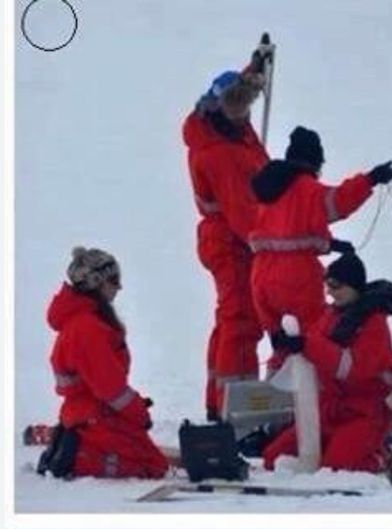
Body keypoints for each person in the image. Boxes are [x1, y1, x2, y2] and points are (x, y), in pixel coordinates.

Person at [249, 126, 392, 354]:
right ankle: (312, 388)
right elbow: (339, 201)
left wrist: (331, 245)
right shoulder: (307, 188)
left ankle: (276, 384)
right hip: (296, 277)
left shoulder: (267, 192)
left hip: (261, 275)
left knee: (280, 342)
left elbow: (287, 232)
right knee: (311, 339)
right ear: (314, 160)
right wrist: (370, 179)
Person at [183, 57, 270, 419]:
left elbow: (234, 88)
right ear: (218, 106)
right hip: (231, 240)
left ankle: (217, 402)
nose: (242, 112)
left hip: (227, 237)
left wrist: (254, 67)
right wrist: (273, 244)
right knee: (241, 320)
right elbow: (243, 212)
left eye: (246, 103)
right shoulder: (220, 154)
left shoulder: (229, 127)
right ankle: (236, 409)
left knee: (230, 319)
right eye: (235, 105)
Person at [262, 252, 392, 472]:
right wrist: (286, 346)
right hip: (328, 410)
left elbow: (351, 368)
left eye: (335, 286)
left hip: (361, 412)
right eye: (327, 285)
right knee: (273, 458)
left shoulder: (374, 323)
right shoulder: (331, 316)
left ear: (352, 285)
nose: (329, 292)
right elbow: (311, 345)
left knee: (336, 469)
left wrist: (305, 345)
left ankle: (380, 458)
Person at [43, 247, 168, 479]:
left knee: (148, 454)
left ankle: (74, 448)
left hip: (87, 414)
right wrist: (140, 414)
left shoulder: (84, 322)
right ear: (96, 283)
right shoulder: (88, 329)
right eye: (114, 280)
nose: (119, 287)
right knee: (154, 466)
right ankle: (80, 458)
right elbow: (111, 389)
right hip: (95, 418)